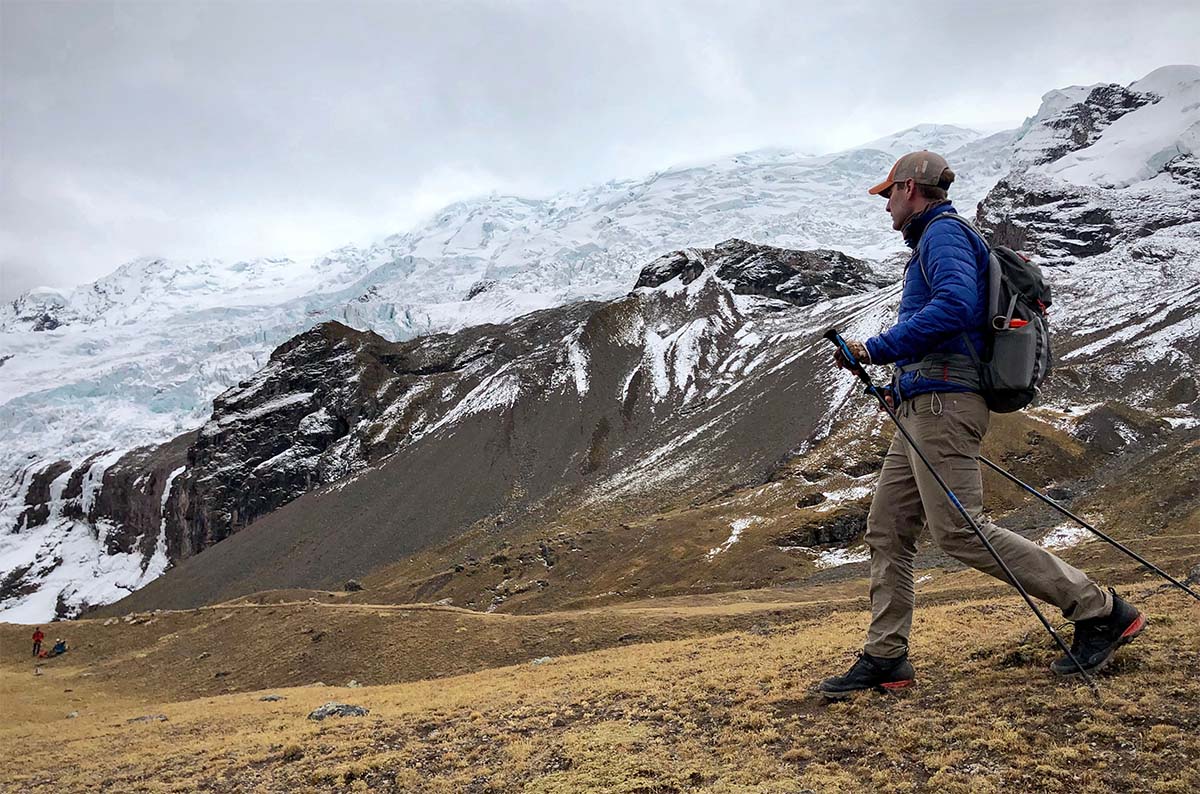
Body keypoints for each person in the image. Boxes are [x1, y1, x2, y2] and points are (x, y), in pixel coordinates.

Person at [815, 151, 1147, 699]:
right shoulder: (935, 240)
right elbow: (951, 322)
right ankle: (885, 657)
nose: (885, 204)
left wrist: (874, 349)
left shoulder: (943, 235)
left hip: (944, 406)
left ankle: (1100, 609)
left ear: (910, 189)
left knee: (961, 531)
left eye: (889, 193)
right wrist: (901, 384)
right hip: (925, 405)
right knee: (889, 528)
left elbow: (953, 307)